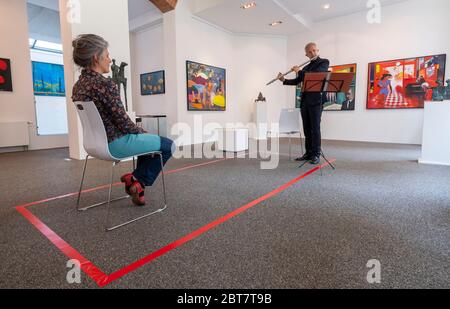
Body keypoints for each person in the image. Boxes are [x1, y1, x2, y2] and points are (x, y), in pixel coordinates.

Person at [71, 34, 174, 206]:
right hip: (115, 144)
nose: (110, 60)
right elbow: (124, 124)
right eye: (107, 55)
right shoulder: (105, 84)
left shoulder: (78, 86)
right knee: (168, 145)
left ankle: (137, 184)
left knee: (149, 143)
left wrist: (142, 135)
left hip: (93, 145)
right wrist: (143, 132)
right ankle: (137, 180)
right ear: (97, 57)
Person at [278, 42, 330, 164]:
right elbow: (297, 81)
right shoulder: (306, 67)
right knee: (307, 129)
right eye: (310, 52)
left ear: (317, 50)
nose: (313, 53)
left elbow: (316, 75)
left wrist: (299, 71)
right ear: (306, 54)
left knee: (315, 129)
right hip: (305, 102)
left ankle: (316, 154)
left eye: (314, 50)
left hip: (317, 101)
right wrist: (284, 80)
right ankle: (308, 153)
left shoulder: (324, 62)